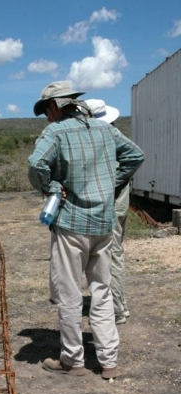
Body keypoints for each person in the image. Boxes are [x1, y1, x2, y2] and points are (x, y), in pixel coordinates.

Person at [28, 81, 144, 379]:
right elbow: (135, 155)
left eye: (46, 111)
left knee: (69, 294)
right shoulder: (105, 129)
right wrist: (110, 183)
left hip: (71, 225)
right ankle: (109, 363)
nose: (47, 117)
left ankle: (73, 361)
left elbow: (36, 163)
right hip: (104, 224)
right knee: (102, 291)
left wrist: (51, 186)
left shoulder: (55, 132)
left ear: (55, 106)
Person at [84, 99, 130, 325]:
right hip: (119, 204)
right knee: (115, 253)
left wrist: (110, 184)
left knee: (112, 256)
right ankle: (120, 305)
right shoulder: (116, 136)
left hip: (111, 206)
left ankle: (117, 309)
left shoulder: (108, 139)